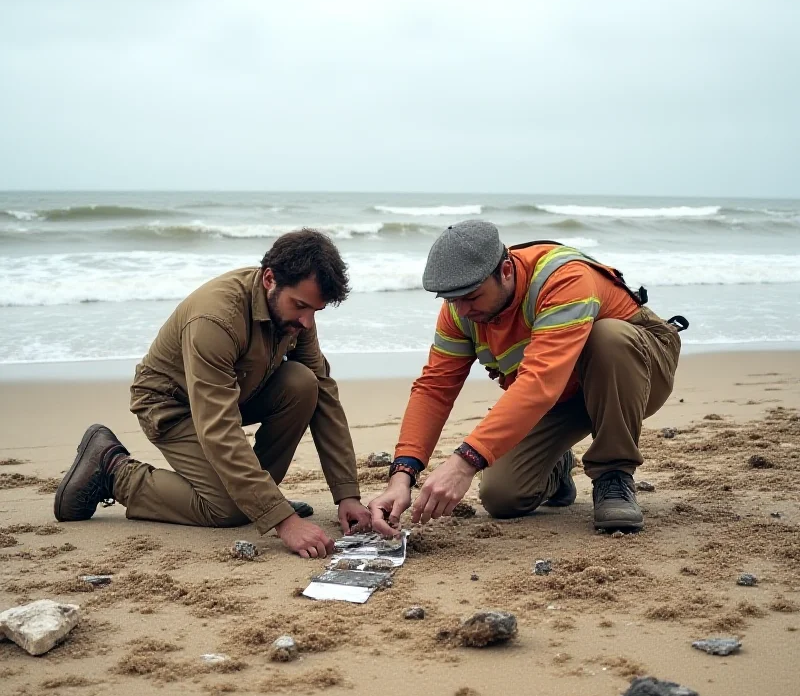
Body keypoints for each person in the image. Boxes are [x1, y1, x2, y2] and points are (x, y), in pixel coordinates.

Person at [54, 229, 371, 558]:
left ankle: (256, 497)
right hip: (171, 405)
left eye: (315, 311)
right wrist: (284, 521)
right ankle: (113, 470)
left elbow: (324, 396)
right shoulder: (216, 318)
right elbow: (218, 427)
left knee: (304, 384)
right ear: (269, 279)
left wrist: (346, 494)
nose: (307, 321)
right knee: (227, 510)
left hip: (235, 393)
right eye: (301, 306)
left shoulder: (295, 316)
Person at [369, 220, 685, 536]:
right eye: (451, 299)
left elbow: (538, 382)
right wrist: (402, 476)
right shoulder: (460, 309)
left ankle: (614, 473)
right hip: (562, 392)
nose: (462, 310)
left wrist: (463, 463)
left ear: (506, 270)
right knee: (502, 496)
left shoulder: (562, 279)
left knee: (607, 338)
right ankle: (558, 469)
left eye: (472, 296)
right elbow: (435, 388)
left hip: (637, 373)